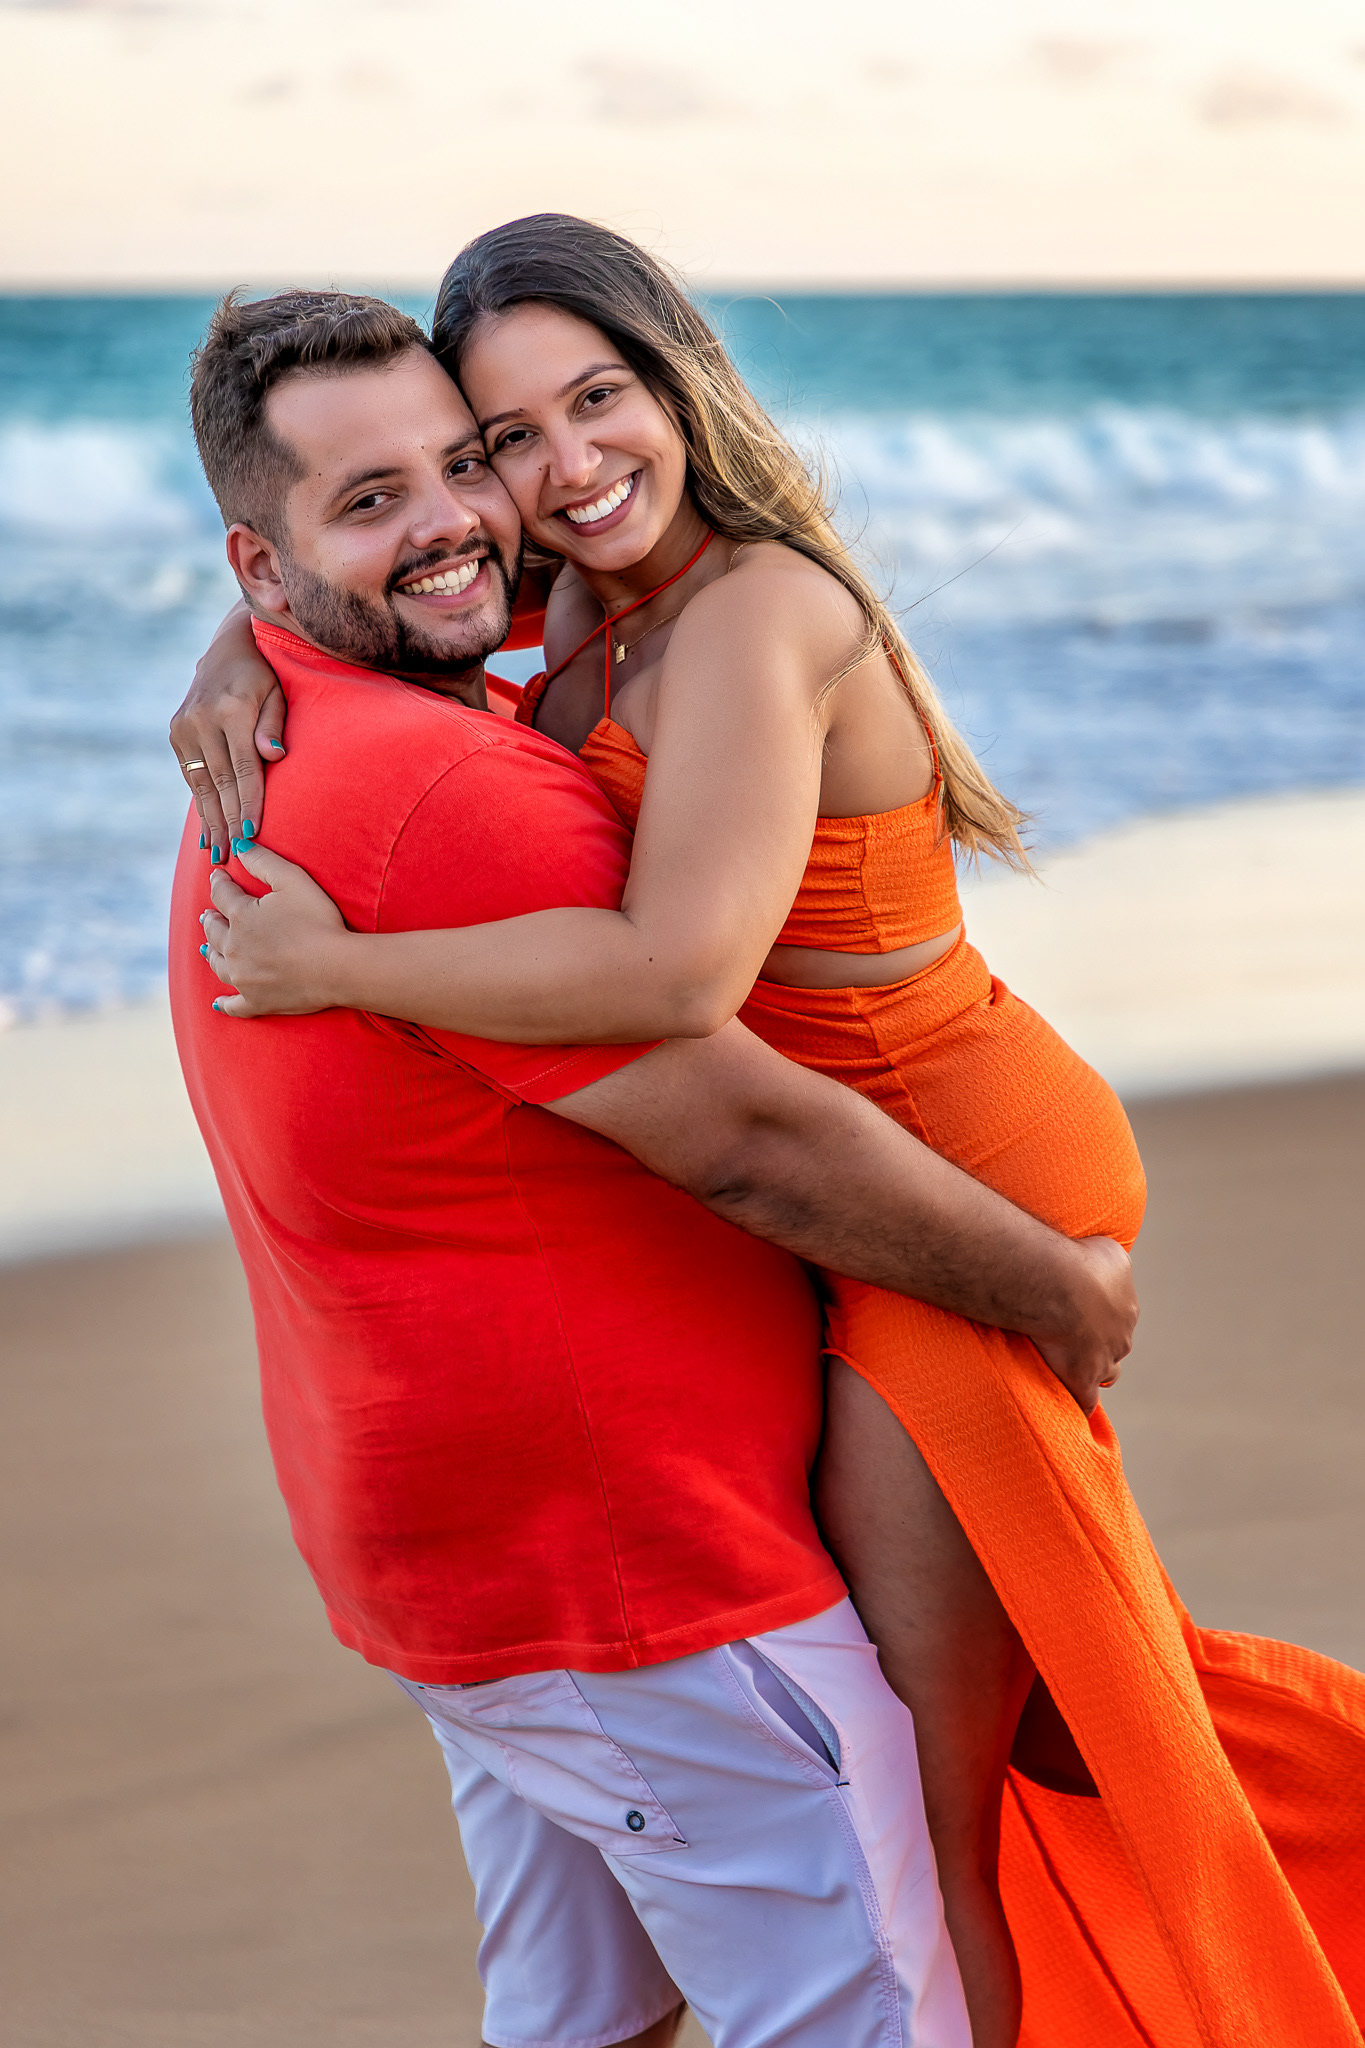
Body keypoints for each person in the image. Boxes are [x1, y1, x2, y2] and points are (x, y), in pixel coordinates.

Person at [177, 226, 1365, 2046]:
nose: (558, 468)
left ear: (678, 380)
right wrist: (239, 646)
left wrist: (339, 963)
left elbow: (675, 974)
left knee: (939, 1806)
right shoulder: (580, 587)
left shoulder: (750, 608)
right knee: (1016, 1728)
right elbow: (389, 566)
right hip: (854, 1184)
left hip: (949, 1181)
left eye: (598, 399)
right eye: (506, 438)